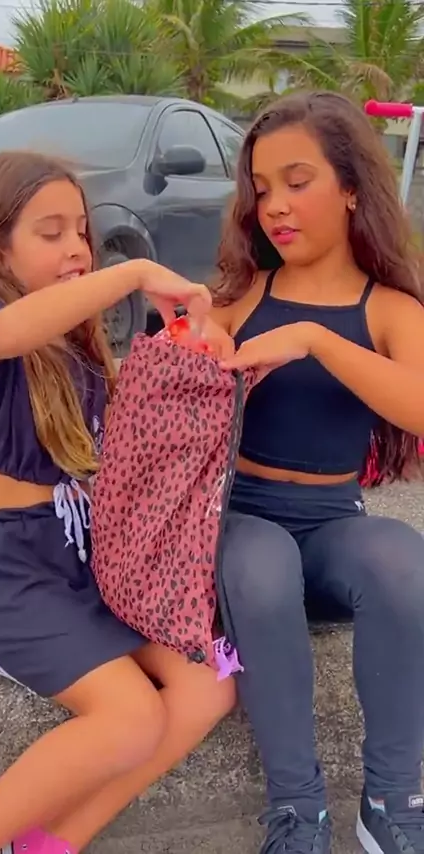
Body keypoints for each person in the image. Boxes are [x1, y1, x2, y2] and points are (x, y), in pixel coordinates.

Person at [0, 151, 235, 854]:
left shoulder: (79, 345)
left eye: (81, 229)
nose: (77, 247)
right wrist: (132, 273)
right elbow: (8, 334)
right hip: (11, 572)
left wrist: (195, 349)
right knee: (131, 716)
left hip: (88, 563)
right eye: (51, 233)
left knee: (213, 684)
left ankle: (47, 845)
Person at [208, 91, 424, 854]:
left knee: (403, 558)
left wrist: (316, 340)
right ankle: (298, 810)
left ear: (352, 188)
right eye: (262, 188)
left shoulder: (390, 309)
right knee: (264, 565)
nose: (275, 205)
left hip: (332, 524)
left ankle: (394, 801)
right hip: (241, 521)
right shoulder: (242, 297)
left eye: (297, 182)